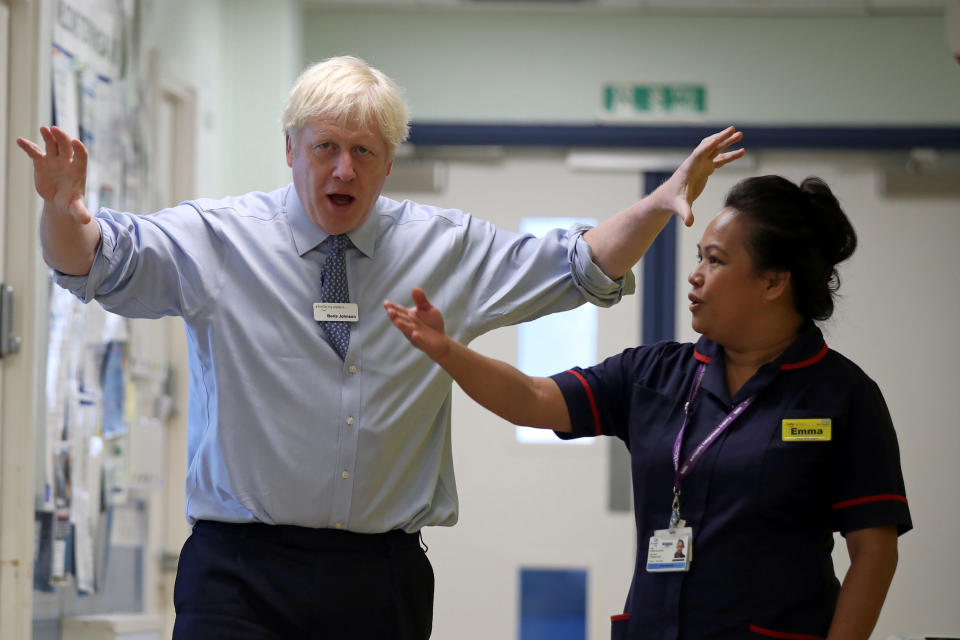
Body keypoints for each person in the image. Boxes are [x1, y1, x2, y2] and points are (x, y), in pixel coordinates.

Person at [17, 56, 744, 639]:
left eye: (364, 152)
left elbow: (577, 265)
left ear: (389, 162)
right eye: (326, 148)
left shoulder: (444, 247)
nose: (344, 171)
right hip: (239, 573)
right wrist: (59, 210)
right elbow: (92, 262)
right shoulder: (220, 238)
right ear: (291, 149)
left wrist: (654, 205)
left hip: (379, 574)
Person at [385, 175, 911, 640]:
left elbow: (873, 553)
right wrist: (447, 350)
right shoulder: (655, 373)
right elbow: (535, 400)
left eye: (716, 260)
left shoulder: (842, 396)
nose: (695, 274)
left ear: (774, 282)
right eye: (700, 254)